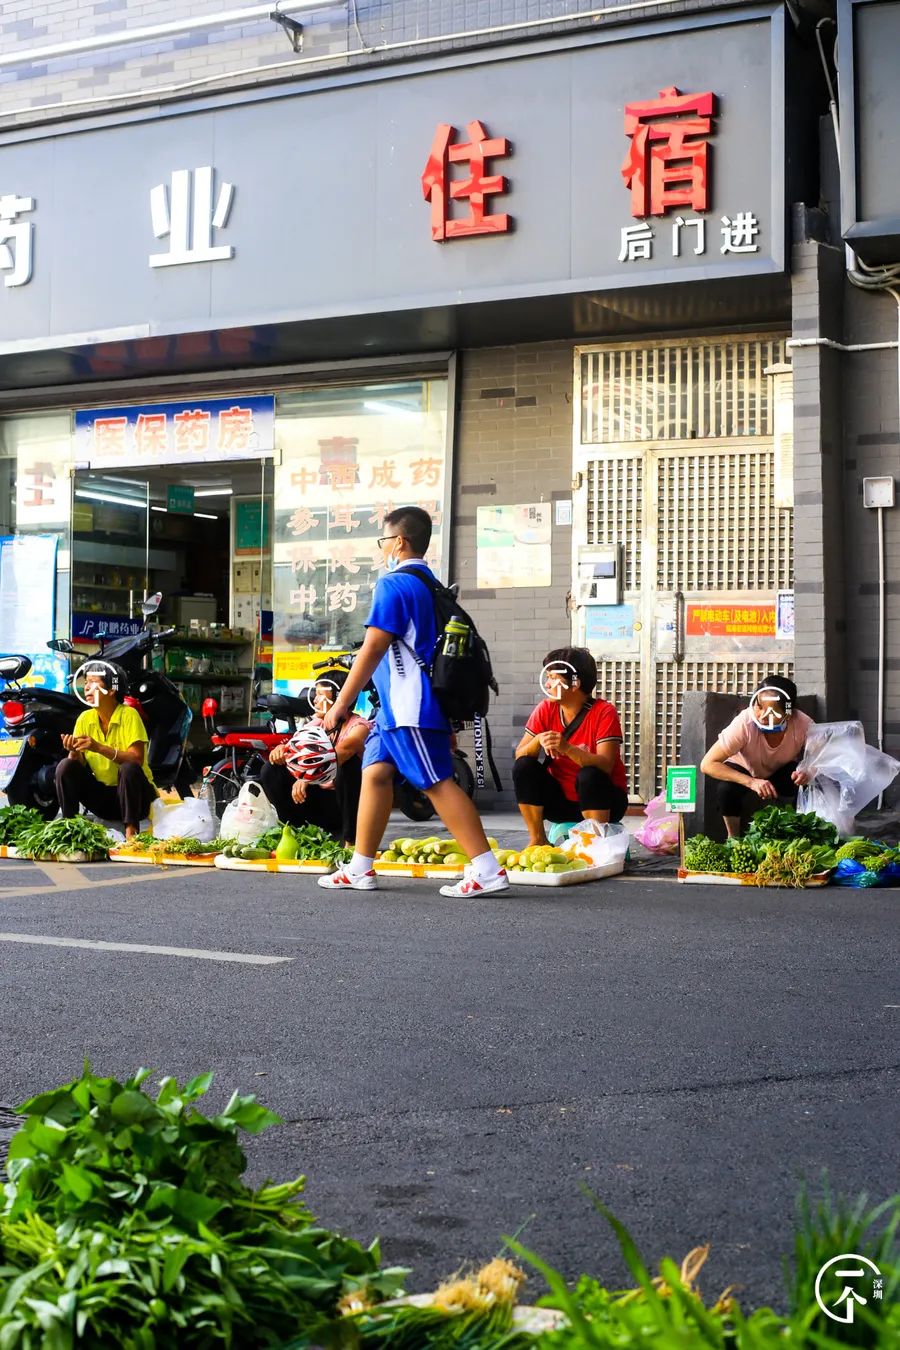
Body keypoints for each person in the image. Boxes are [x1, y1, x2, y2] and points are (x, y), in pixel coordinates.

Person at [317, 505, 509, 897]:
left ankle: (487, 869)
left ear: (399, 542)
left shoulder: (394, 584)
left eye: (383, 541)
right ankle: (360, 867)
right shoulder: (430, 584)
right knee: (375, 774)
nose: (381, 548)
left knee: (436, 781)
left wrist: (340, 705)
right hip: (395, 708)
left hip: (408, 706)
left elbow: (373, 648)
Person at [513, 647, 628, 846]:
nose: (547, 684)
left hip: (605, 802)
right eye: (547, 677)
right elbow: (520, 754)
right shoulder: (546, 708)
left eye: (552, 678)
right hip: (559, 803)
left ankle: (597, 845)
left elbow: (606, 765)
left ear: (575, 684)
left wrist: (568, 748)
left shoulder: (604, 711)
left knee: (590, 774)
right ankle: (538, 839)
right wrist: (538, 740)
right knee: (524, 765)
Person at [260, 670, 371, 845]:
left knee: (347, 765)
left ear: (339, 698)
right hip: (318, 803)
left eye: (320, 695)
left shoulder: (359, 726)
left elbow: (344, 751)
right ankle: (295, 833)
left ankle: (351, 840)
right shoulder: (315, 724)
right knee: (271, 769)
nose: (314, 701)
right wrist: (282, 751)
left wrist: (308, 777)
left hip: (344, 805)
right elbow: (294, 749)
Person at [700, 675, 813, 837]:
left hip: (780, 772)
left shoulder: (803, 724)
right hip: (744, 770)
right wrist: (752, 782)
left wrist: (807, 771)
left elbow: (820, 757)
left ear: (787, 713)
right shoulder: (744, 723)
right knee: (726, 790)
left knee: (807, 783)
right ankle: (734, 839)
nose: (761, 715)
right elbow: (707, 764)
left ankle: (799, 835)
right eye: (759, 706)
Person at [56, 662, 157, 839]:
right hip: (106, 800)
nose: (86, 687)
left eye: (93, 682)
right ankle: (70, 830)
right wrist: (73, 752)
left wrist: (98, 747)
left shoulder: (129, 715)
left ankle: (131, 834)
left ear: (111, 690)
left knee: (128, 767)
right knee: (66, 766)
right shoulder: (84, 719)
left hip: (138, 799)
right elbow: (77, 764)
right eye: (86, 682)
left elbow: (137, 759)